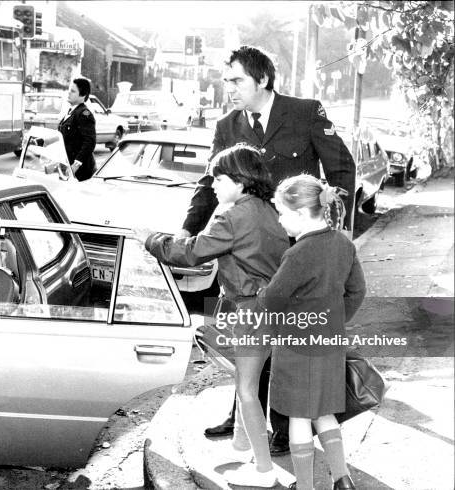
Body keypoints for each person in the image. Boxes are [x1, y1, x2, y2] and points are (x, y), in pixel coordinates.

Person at [178, 45, 356, 455]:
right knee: (250, 330)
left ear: (262, 80)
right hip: (248, 250)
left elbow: (341, 169)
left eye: (237, 80)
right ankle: (245, 412)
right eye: (227, 80)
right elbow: (210, 185)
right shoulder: (226, 125)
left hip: (299, 246)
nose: (229, 88)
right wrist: (188, 230)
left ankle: (283, 421)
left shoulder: (305, 112)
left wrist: (333, 233)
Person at [135, 145, 290, 487]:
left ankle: (263, 470)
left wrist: (150, 239)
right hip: (268, 309)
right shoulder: (268, 210)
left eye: (218, 179)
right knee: (245, 383)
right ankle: (241, 448)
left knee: (247, 389)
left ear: (240, 180)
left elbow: (188, 253)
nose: (213, 186)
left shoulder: (233, 216)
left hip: (249, 312)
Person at [259, 174, 366, 490]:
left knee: (299, 418)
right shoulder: (343, 244)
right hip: (330, 343)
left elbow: (273, 298)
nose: (280, 220)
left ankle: (305, 486)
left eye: (282, 212)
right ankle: (342, 479)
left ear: (302, 214)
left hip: (298, 348)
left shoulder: (298, 253)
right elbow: (357, 290)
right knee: (323, 413)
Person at [58, 78, 96, 181]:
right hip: (67, 166)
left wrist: (76, 165)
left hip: (80, 172)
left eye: (73, 91)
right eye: (69, 90)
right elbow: (60, 136)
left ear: (83, 95)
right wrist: (40, 141)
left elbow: (90, 142)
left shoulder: (84, 114)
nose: (69, 93)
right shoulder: (71, 112)